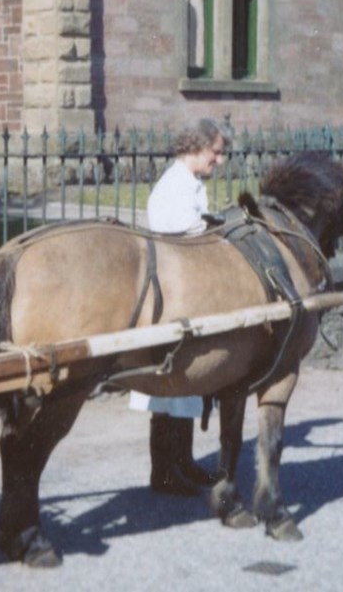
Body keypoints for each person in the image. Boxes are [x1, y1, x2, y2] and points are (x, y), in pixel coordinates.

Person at [132, 116, 227, 496]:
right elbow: (174, 232)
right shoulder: (172, 186)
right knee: (170, 387)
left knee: (187, 388)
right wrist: (208, 230)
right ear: (196, 147)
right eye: (215, 153)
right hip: (173, 295)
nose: (218, 162)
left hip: (190, 292)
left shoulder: (190, 183)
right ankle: (165, 472)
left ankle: (183, 463)